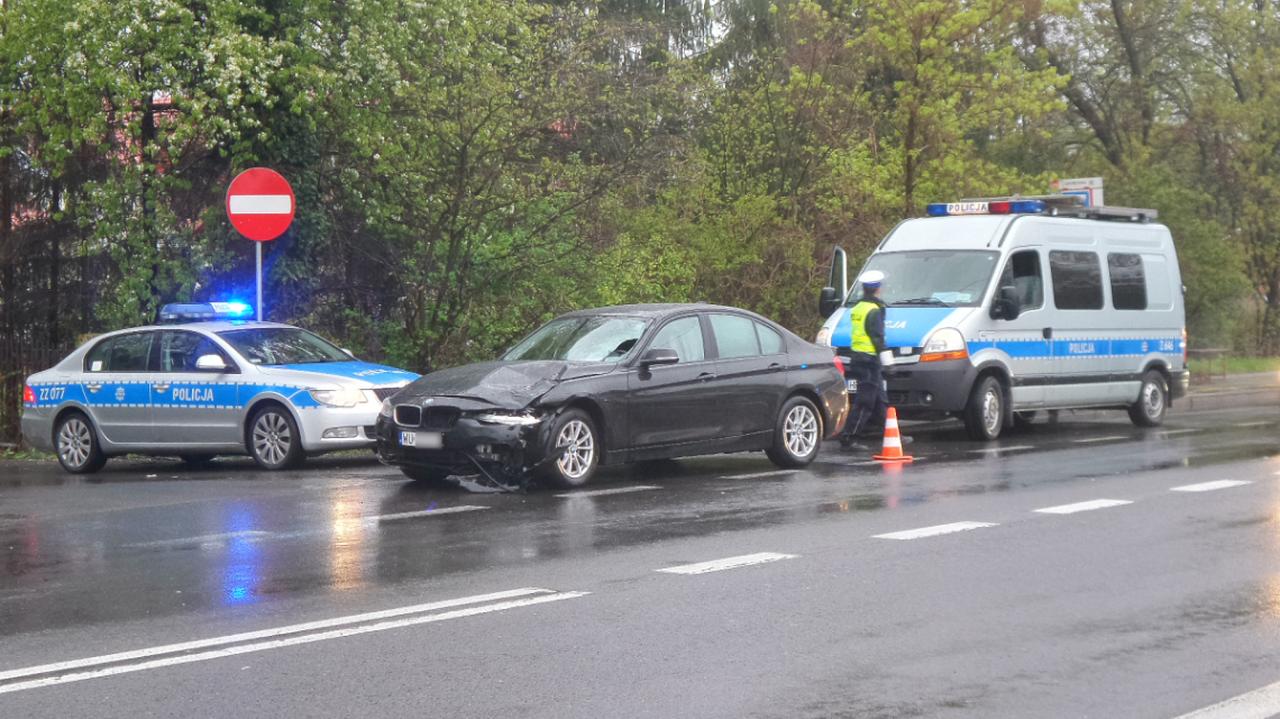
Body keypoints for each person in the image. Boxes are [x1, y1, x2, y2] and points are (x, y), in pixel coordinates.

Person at [838, 270, 909, 450]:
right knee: (865, 402)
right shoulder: (874, 310)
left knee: (880, 401)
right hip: (869, 361)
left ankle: (894, 434)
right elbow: (878, 338)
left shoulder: (859, 307)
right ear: (878, 288)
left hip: (859, 358)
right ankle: (849, 437)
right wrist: (889, 363)